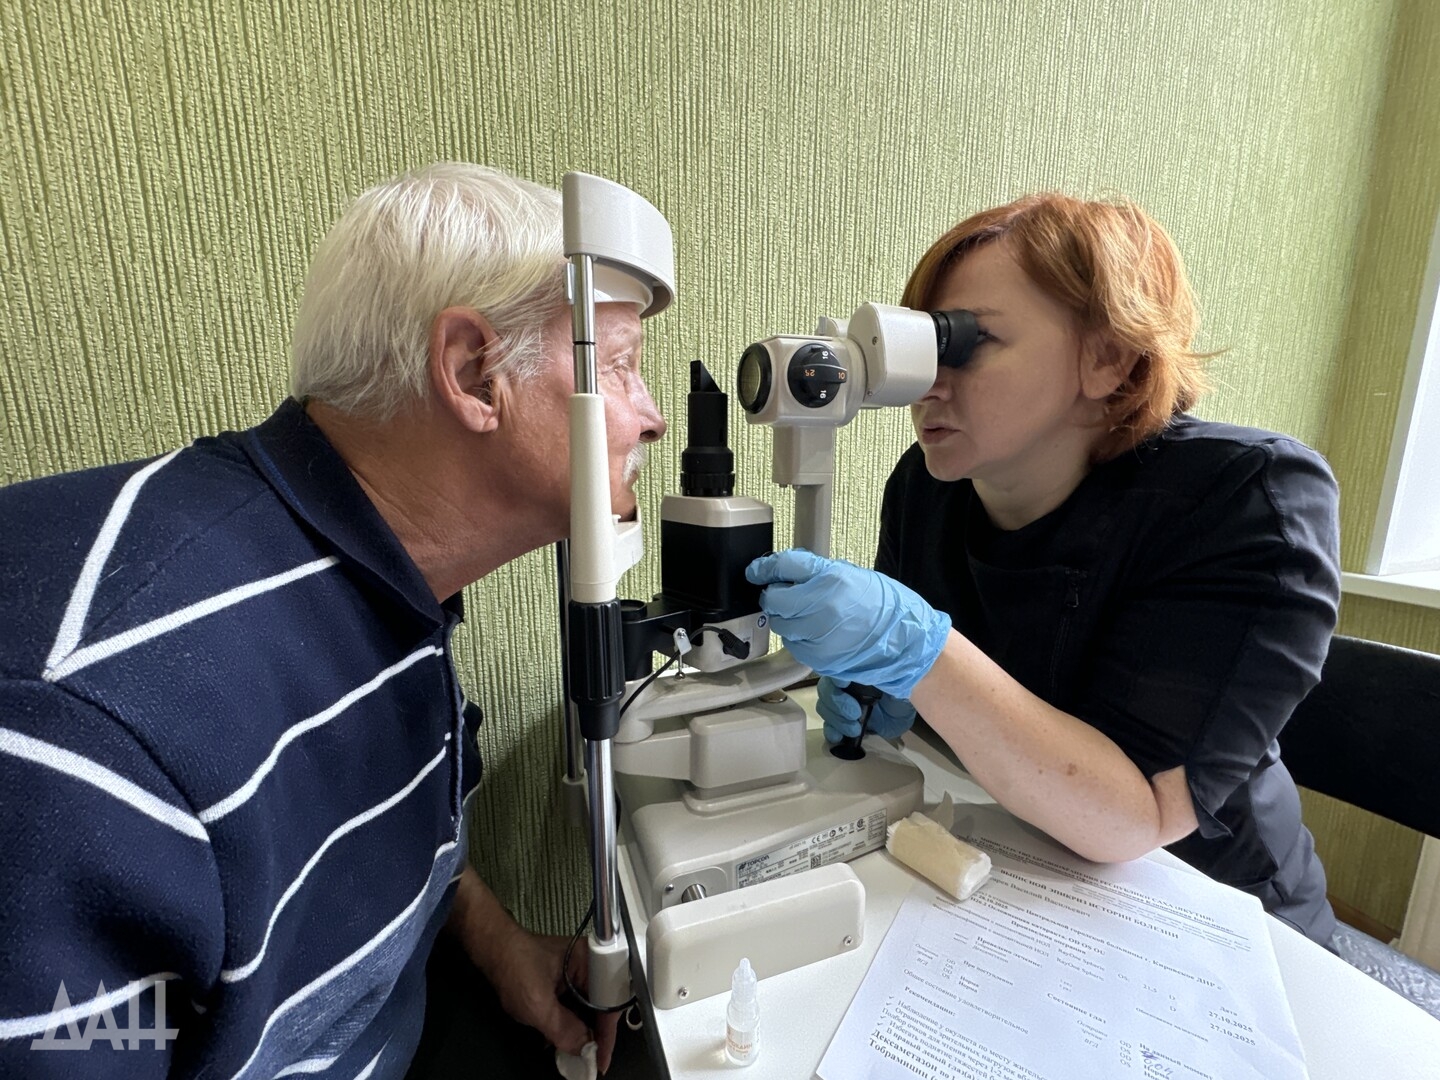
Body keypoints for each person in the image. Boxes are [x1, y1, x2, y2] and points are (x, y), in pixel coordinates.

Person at [0, 163, 665, 1077]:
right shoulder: (85, 716)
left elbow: (384, 830)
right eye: (619, 365)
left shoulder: (379, 582)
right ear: (475, 374)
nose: (651, 417)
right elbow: (91, 1040)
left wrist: (493, 937)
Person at [747, 193, 1341, 945]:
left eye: (963, 343)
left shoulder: (1247, 500)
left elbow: (1136, 818)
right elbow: (949, 706)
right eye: (919, 350)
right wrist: (876, 682)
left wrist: (916, 650)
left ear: (1107, 356)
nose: (927, 385)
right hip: (1018, 868)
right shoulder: (928, 488)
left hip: (1214, 915)